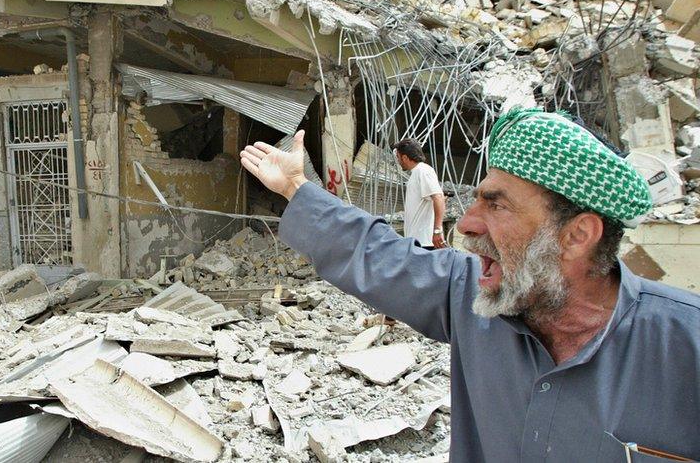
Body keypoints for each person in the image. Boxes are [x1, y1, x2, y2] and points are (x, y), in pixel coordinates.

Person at [239, 108, 700, 462]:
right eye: (477, 199)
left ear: (577, 235)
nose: (469, 225)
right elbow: (375, 253)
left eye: (496, 206)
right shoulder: (469, 294)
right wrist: (297, 188)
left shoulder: (686, 346)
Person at [392, 138, 446, 249]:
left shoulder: (423, 171)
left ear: (405, 157)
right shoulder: (417, 172)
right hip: (417, 241)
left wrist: (437, 230)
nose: (398, 161)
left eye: (398, 157)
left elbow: (438, 197)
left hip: (424, 242)